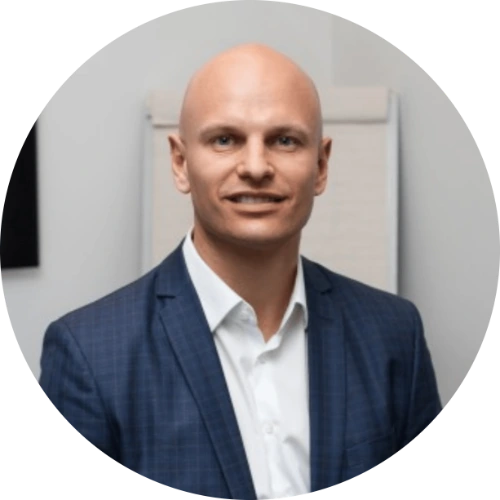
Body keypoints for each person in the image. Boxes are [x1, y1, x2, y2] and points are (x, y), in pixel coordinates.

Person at [38, 43, 442, 499]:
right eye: (225, 140)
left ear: (321, 165)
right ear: (180, 162)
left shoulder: (393, 335)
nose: (255, 167)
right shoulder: (90, 356)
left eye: (284, 140)